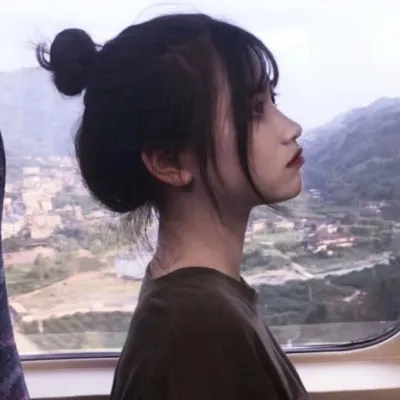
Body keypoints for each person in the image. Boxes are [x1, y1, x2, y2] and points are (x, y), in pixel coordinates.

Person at [36, 13, 308, 400]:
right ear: (171, 162)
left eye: (271, 100)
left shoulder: (197, 303)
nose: (292, 127)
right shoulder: (199, 324)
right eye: (254, 109)